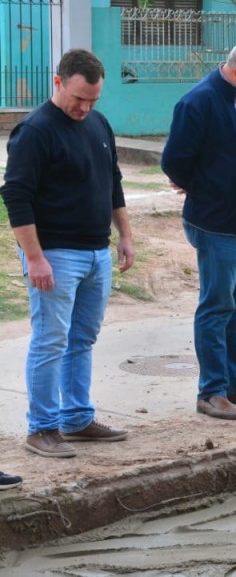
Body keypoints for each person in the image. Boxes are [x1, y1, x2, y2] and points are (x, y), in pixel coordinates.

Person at [0, 48, 134, 458]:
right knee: (50, 340)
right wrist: (35, 257)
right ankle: (41, 428)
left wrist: (124, 235)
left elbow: (112, 181)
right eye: (78, 98)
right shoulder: (35, 131)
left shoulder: (99, 123)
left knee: (82, 339)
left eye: (93, 100)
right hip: (56, 254)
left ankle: (76, 418)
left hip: (97, 252)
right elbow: (16, 196)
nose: (85, 107)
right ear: (58, 82)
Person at [162, 37, 236, 421]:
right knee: (217, 307)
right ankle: (211, 391)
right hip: (220, 224)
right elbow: (174, 161)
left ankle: (235, 381)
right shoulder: (199, 102)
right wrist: (209, 189)